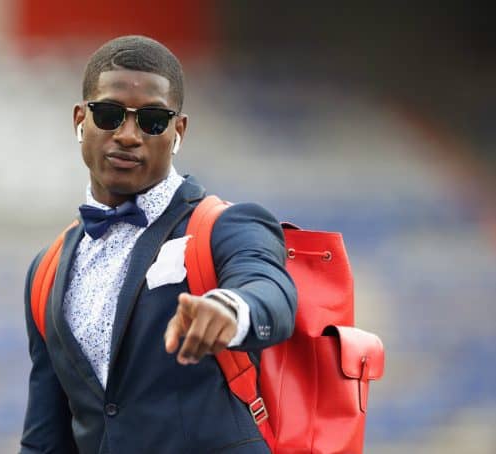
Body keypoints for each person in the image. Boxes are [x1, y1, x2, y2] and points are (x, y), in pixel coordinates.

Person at [20, 35, 297, 454]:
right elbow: (45, 437)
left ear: (177, 131)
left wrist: (231, 310)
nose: (129, 135)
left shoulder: (225, 225)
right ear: (80, 121)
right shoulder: (46, 271)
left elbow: (271, 291)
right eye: (109, 115)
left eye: (152, 120)